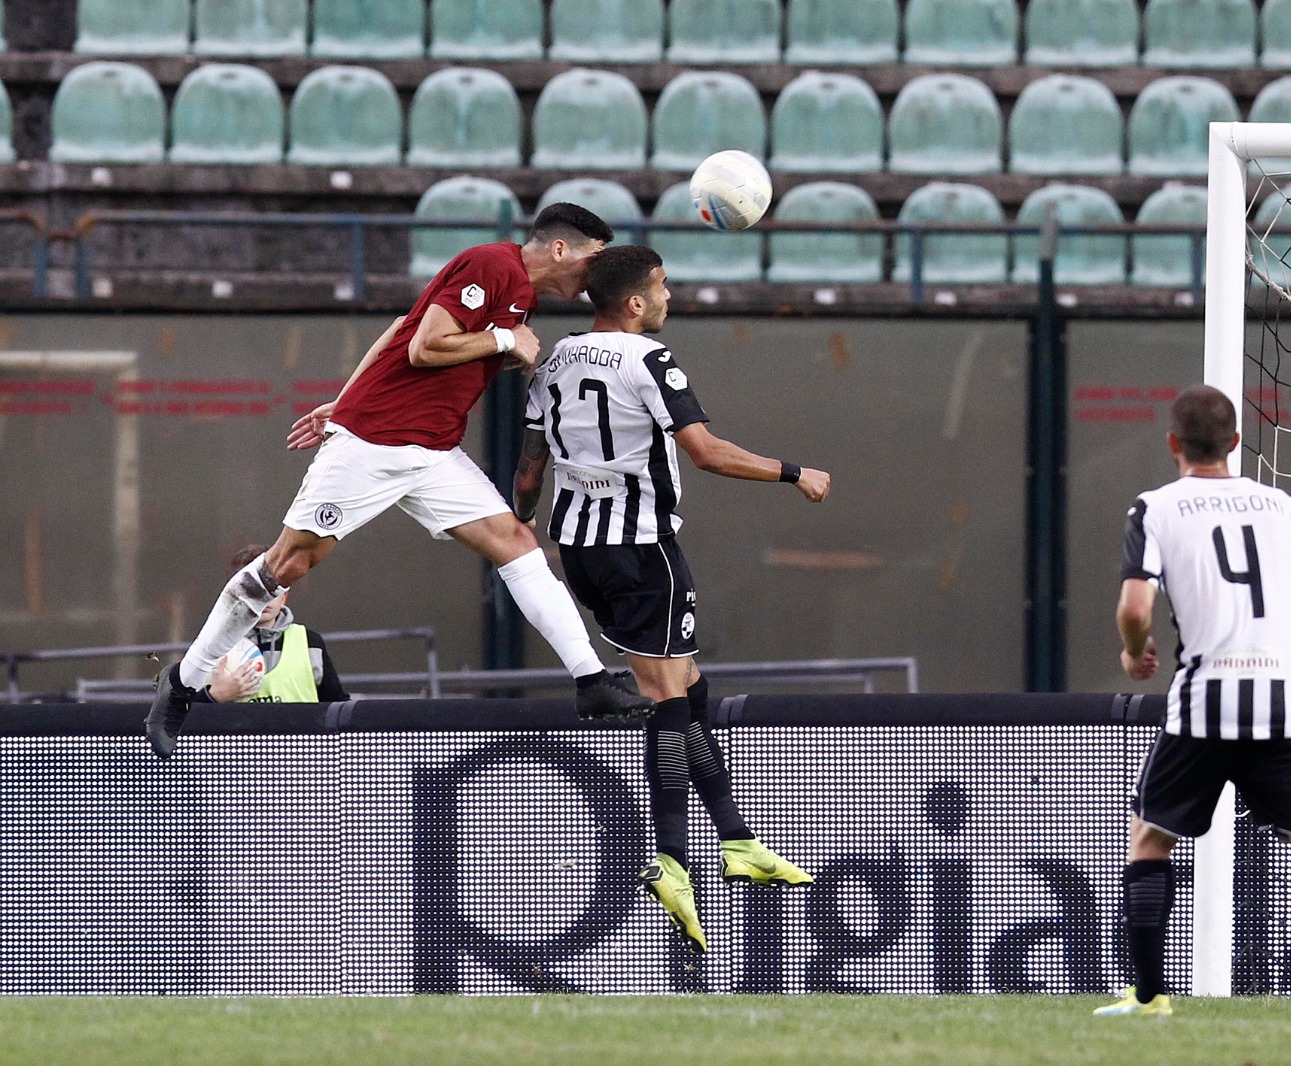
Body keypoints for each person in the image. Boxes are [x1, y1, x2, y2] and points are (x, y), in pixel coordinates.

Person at [146, 203, 652, 759]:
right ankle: (183, 684)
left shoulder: (520, 293)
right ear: (561, 249)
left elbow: (400, 328)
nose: (596, 274)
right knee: (284, 565)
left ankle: (592, 681)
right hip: (376, 443)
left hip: (433, 451)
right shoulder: (493, 265)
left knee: (516, 542)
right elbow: (423, 346)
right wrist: (507, 344)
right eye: (594, 258)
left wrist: (345, 396)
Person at [516, 245, 831, 953]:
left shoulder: (557, 360)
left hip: (580, 550)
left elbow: (531, 467)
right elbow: (707, 453)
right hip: (644, 551)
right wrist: (794, 473)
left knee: (686, 686)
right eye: (660, 287)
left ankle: (737, 838)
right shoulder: (650, 361)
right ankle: (673, 861)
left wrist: (520, 522)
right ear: (633, 302)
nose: (668, 296)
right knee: (667, 701)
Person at [1096, 383, 1291, 1022]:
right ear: (1235, 442)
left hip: (1207, 702)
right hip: (1285, 700)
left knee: (1151, 841)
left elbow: (1135, 608)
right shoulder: (1276, 504)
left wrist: (1135, 654)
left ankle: (1151, 996)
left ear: (1172, 445)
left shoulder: (1157, 507)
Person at [200, 545, 350, 704]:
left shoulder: (309, 643)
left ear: (284, 596)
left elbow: (338, 708)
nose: (265, 598)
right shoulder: (214, 646)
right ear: (235, 595)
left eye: (272, 590)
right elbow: (180, 713)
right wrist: (215, 696)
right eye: (254, 590)